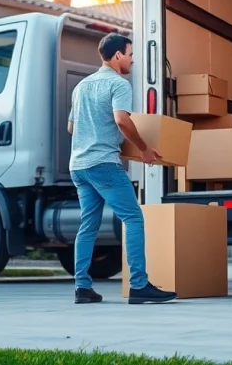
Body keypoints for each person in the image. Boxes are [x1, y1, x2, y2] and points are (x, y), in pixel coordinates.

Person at [67, 32, 177, 305]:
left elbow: (72, 127)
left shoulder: (81, 86)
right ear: (117, 55)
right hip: (103, 163)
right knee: (134, 218)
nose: (132, 60)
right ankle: (139, 285)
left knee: (89, 225)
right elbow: (121, 120)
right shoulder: (118, 84)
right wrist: (143, 148)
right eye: (130, 54)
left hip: (78, 166)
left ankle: (83, 287)